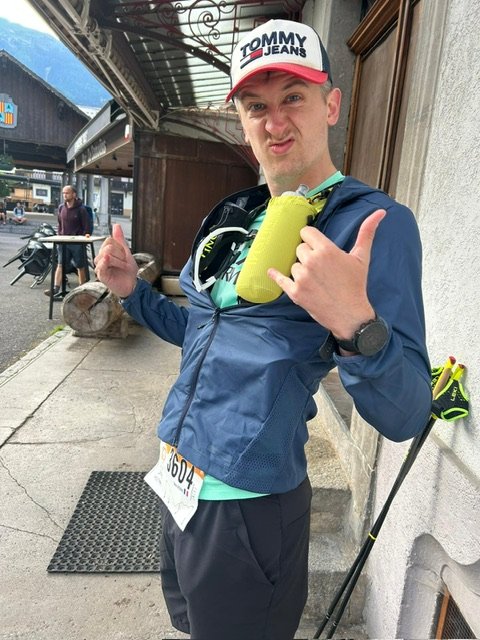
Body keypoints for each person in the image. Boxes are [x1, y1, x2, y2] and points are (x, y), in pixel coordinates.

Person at [94, 19, 432, 640]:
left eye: (293, 98)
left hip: (246, 509)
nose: (275, 122)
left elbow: (408, 413)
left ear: (331, 105)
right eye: (256, 106)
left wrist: (358, 327)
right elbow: (202, 332)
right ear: (241, 123)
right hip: (179, 478)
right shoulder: (236, 215)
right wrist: (131, 293)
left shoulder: (369, 226)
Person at [44, 185, 90, 300]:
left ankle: (82, 290)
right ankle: (55, 288)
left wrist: (85, 236)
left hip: (77, 242)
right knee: (60, 264)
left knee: (80, 266)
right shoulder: (61, 207)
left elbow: (86, 226)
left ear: (74, 194)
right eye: (63, 193)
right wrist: (59, 235)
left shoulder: (81, 209)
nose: (65, 195)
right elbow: (59, 223)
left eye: (67, 193)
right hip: (63, 241)